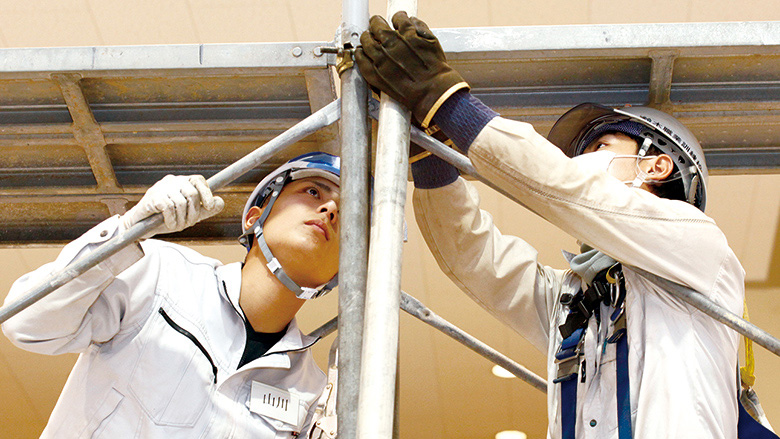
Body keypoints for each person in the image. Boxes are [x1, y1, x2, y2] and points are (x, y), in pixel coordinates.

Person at [355, 12, 745, 438]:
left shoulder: (697, 244)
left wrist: (444, 99)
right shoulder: (577, 300)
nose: (581, 161)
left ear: (657, 165)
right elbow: (471, 255)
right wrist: (428, 154)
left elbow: (565, 187)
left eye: (599, 145)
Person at [2, 152, 342, 438]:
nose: (330, 210)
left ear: (341, 272)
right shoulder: (159, 273)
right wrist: (125, 233)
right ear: (255, 218)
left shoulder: (311, 395)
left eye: (346, 214)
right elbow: (27, 324)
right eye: (313, 192)